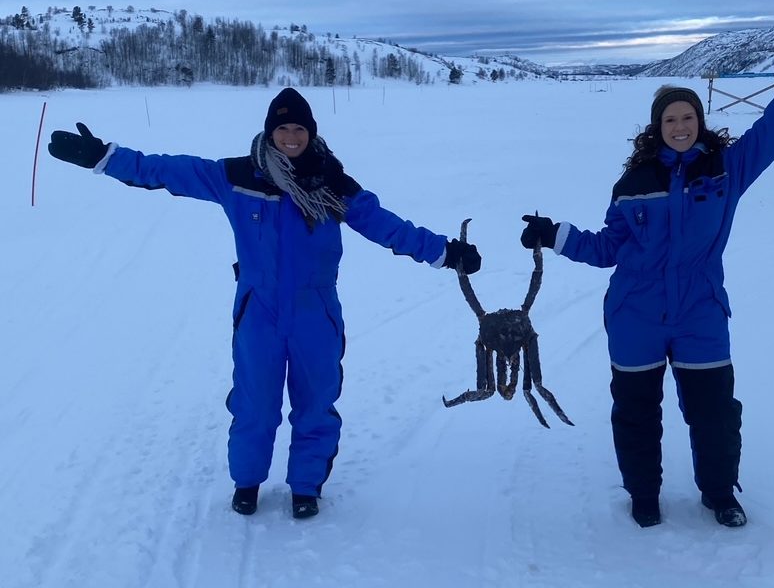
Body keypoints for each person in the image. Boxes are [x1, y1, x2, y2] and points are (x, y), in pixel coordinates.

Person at [47, 87, 481, 519]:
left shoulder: (334, 185)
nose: (291, 137)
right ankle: (247, 481)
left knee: (315, 401)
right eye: (282, 128)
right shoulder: (237, 177)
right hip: (259, 311)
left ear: (311, 133)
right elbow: (168, 170)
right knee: (255, 402)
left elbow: (388, 227)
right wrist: (106, 157)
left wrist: (446, 252)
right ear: (269, 132)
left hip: (316, 312)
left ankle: (306, 487)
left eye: (299, 129)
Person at [519, 12, 774, 528]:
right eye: (670, 120)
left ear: (699, 122)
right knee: (637, 412)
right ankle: (643, 495)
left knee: (715, 414)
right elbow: (606, 248)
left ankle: (719, 494)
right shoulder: (634, 182)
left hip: (700, 311)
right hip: (635, 313)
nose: (680, 126)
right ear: (657, 126)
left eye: (688, 117)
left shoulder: (727, 169)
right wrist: (554, 234)